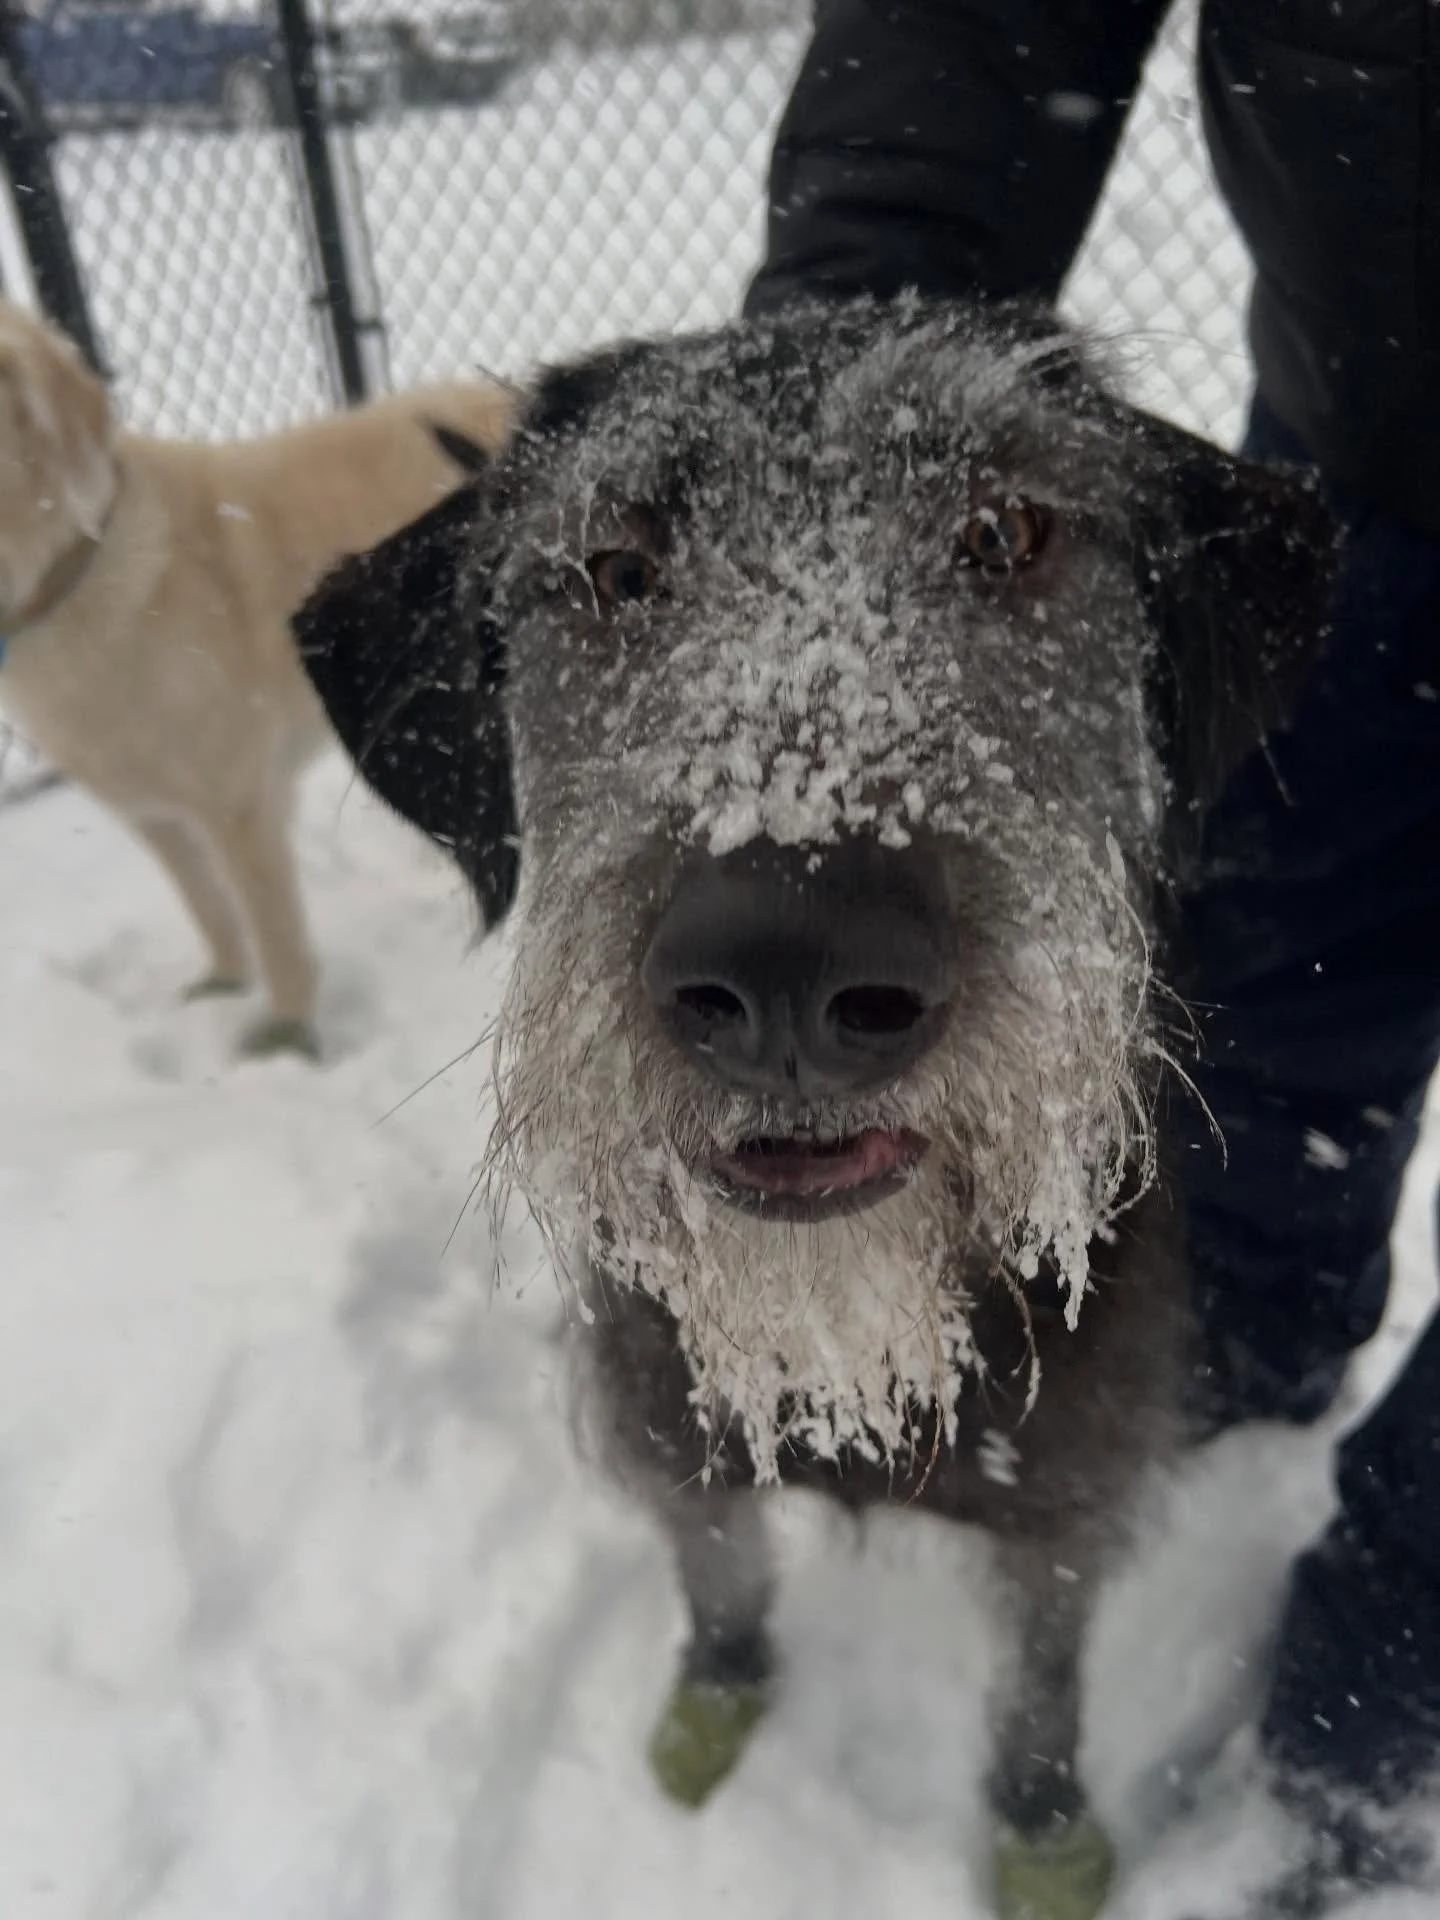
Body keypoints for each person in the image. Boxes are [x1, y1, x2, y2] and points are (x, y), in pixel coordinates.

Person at [743, 3, 1440, 1912]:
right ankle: (1238, 1368)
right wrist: (825, 415)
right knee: (1275, 998)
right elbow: (970, 39)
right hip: (1382, 450)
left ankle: (1373, 1732)